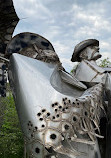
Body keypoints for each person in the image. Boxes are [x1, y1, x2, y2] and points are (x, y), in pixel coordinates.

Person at [71, 39, 111, 158]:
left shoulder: (97, 69)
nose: (97, 48)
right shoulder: (85, 70)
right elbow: (103, 80)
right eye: (92, 47)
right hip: (94, 120)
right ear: (83, 54)